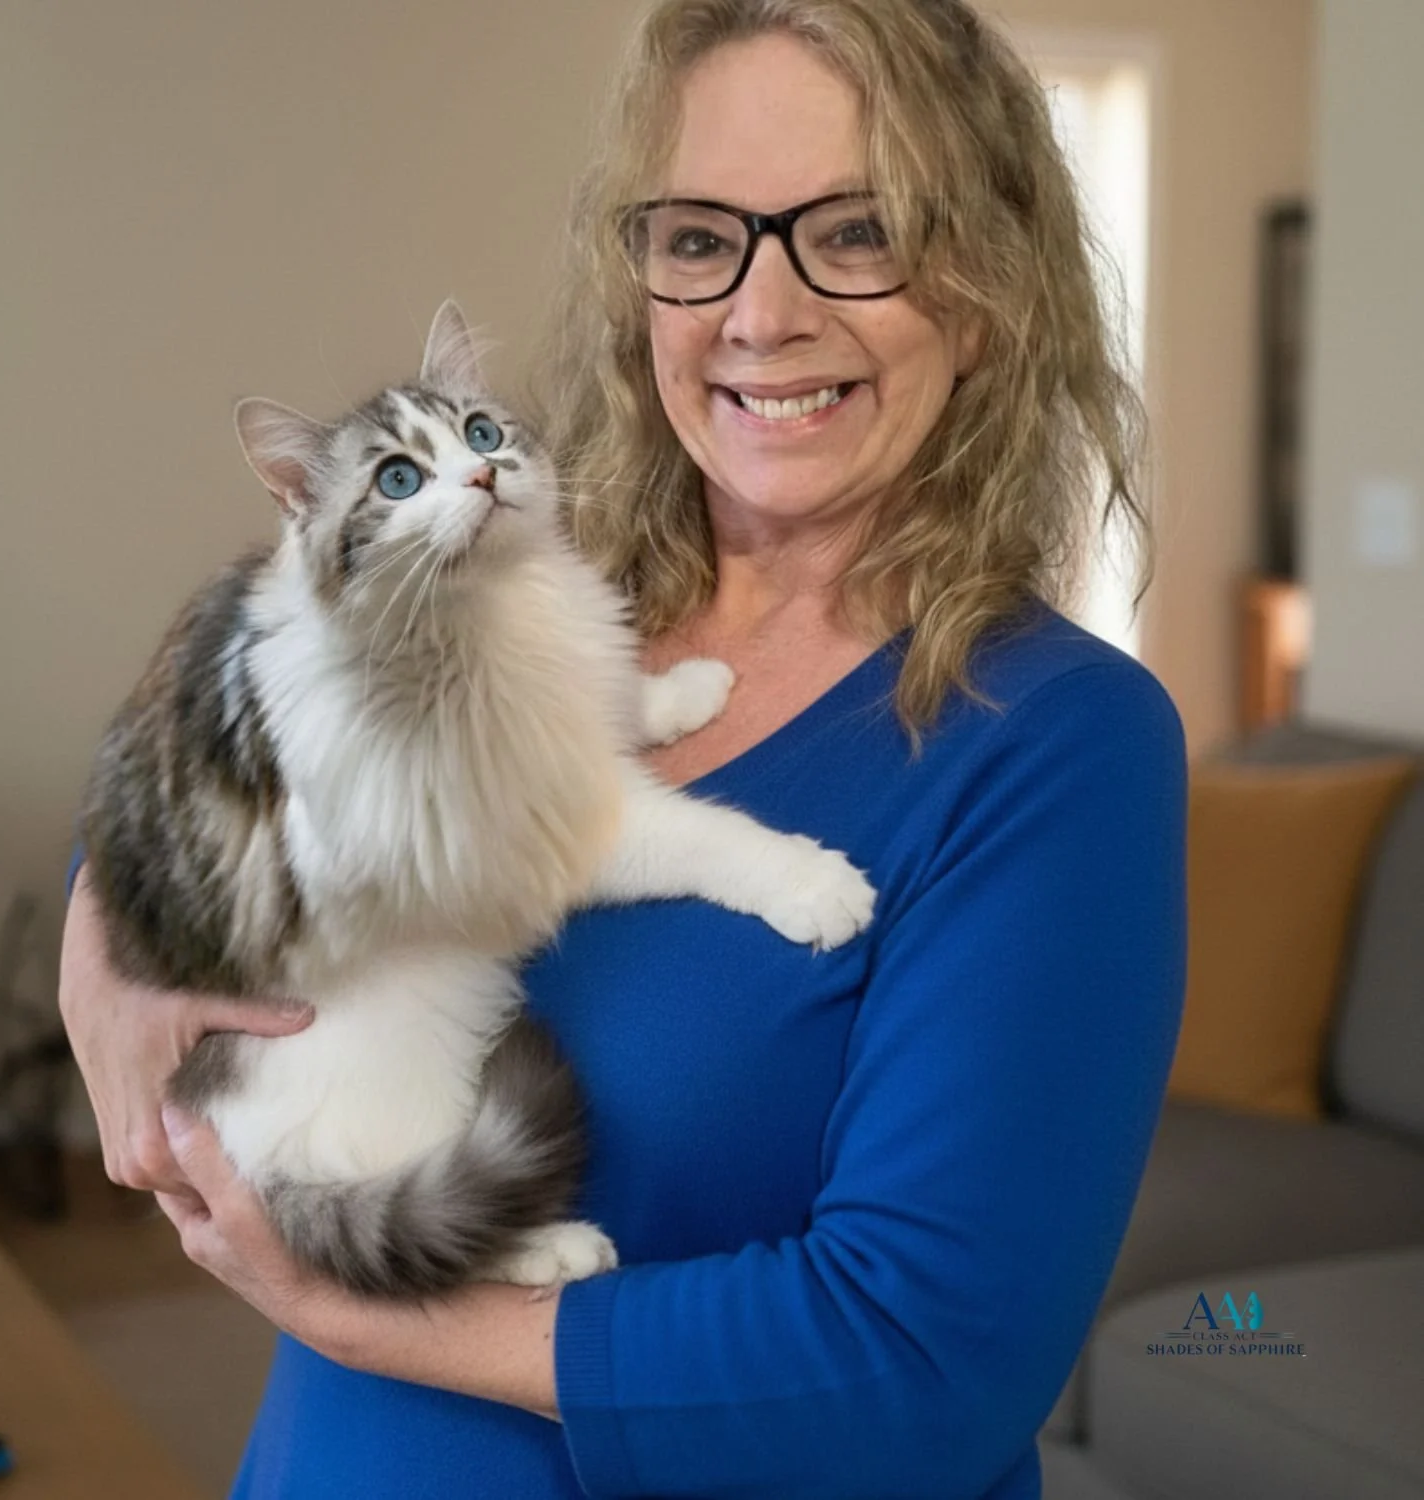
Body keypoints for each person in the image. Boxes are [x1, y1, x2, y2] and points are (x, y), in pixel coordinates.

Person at [58, 1, 1187, 1495]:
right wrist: (97, 931)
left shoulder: (1060, 746)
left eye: (857, 232)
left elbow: (918, 1369)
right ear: (640, 279)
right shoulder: (522, 578)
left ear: (983, 290)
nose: (762, 314)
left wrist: (347, 1301)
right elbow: (209, 760)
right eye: (703, 237)